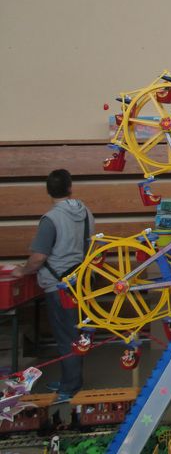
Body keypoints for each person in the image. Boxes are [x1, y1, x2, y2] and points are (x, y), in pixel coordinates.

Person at [11, 170, 94, 403]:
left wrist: (23, 270)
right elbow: (90, 246)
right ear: (70, 187)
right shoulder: (86, 213)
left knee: (66, 337)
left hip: (58, 286)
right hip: (80, 282)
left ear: (48, 191)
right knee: (77, 334)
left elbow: (39, 257)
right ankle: (71, 379)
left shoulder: (50, 219)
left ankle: (69, 388)